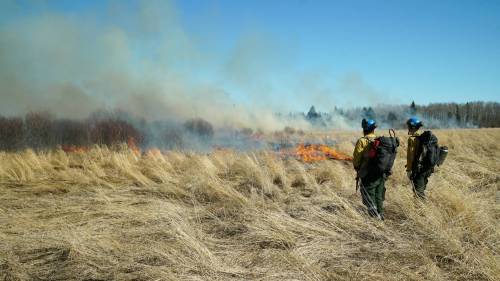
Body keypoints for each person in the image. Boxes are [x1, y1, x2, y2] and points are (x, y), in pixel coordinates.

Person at [353, 119, 385, 220]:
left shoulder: (362, 141)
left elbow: (357, 158)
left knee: (369, 195)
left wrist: (357, 168)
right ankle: (381, 214)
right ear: (373, 129)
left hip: (368, 173)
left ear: (364, 129)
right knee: (378, 195)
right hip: (381, 173)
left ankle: (375, 218)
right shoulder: (380, 140)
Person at [406, 117, 427, 199]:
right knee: (421, 189)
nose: (407, 128)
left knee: (418, 193)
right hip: (425, 168)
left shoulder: (412, 139)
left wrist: (408, 170)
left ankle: (422, 210)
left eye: (408, 126)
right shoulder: (423, 137)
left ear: (412, 127)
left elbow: (410, 156)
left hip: (417, 169)